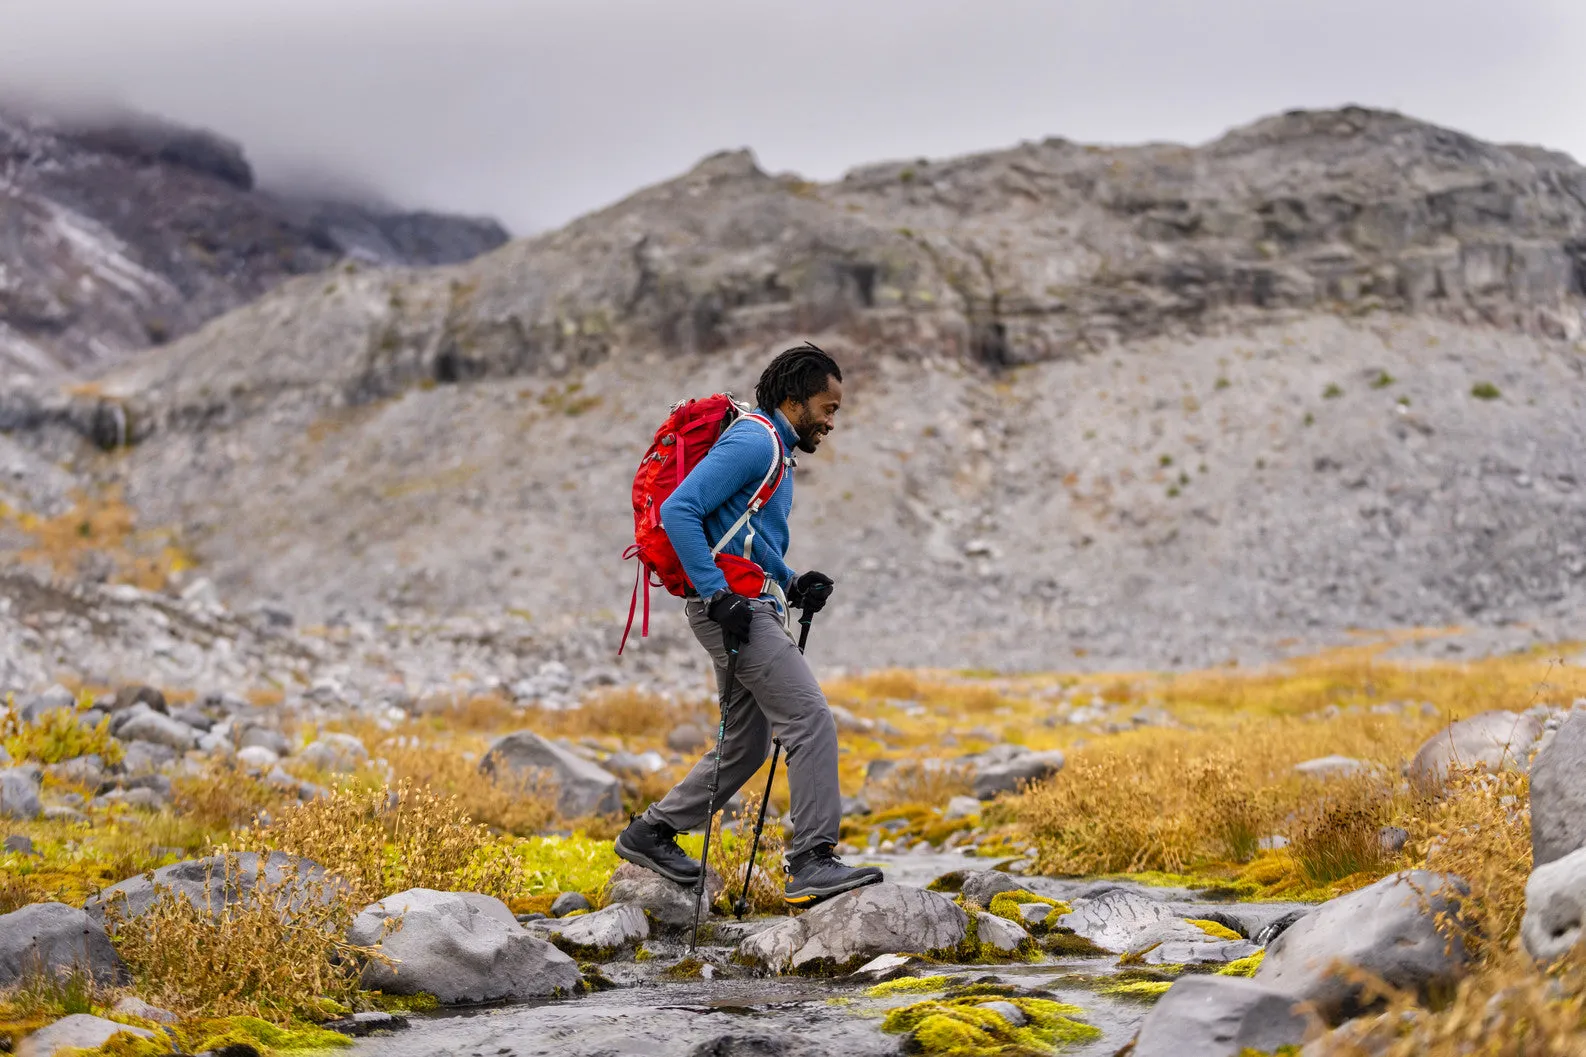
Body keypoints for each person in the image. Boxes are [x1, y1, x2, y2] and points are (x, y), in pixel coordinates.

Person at [613, 342, 884, 905]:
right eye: (828, 408)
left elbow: (746, 537)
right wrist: (717, 597)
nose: (833, 422)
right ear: (794, 399)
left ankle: (651, 832)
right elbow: (679, 511)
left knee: (746, 743)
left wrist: (790, 580)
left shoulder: (772, 449)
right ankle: (811, 860)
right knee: (809, 720)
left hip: (743, 604)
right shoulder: (755, 439)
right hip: (735, 611)